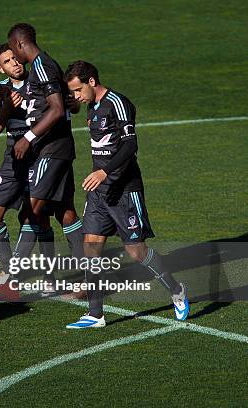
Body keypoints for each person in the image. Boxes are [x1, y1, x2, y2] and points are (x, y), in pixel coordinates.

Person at [64, 60, 189, 328]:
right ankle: (96, 313)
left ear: (92, 82)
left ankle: (176, 289)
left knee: (136, 251)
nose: (76, 96)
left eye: (77, 90)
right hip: (99, 193)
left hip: (124, 190)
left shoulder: (118, 103)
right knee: (91, 248)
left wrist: (105, 172)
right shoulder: (91, 106)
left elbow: (130, 144)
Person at [6, 23, 84, 268]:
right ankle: (91, 278)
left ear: (19, 44)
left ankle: (11, 277)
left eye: (12, 48)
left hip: (53, 150)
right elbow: (68, 102)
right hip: (55, 149)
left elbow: (58, 109)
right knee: (65, 211)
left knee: (32, 209)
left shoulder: (42, 66)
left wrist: (27, 138)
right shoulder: (43, 67)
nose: (14, 56)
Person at [0, 43, 55, 299]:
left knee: (36, 217)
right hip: (13, 156)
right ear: (0, 67)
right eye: (7, 61)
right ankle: (8, 270)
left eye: (15, 58)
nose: (14, 63)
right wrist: (6, 110)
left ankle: (47, 277)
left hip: (39, 154)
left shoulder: (38, 80)